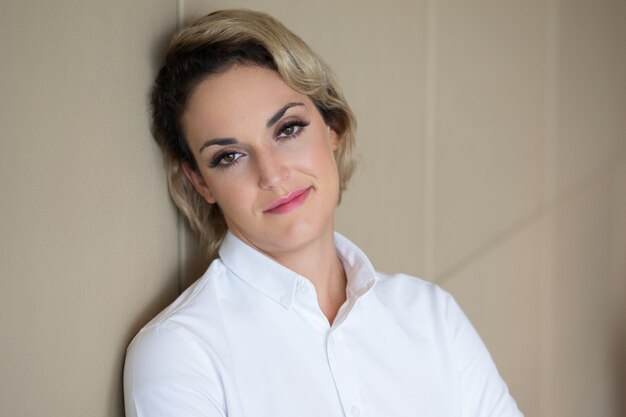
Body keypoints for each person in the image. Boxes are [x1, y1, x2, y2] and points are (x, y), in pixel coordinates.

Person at [124, 9, 523, 417]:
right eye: (229, 156)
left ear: (332, 126)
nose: (273, 175)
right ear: (200, 182)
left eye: (288, 129)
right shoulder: (181, 354)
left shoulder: (430, 315)